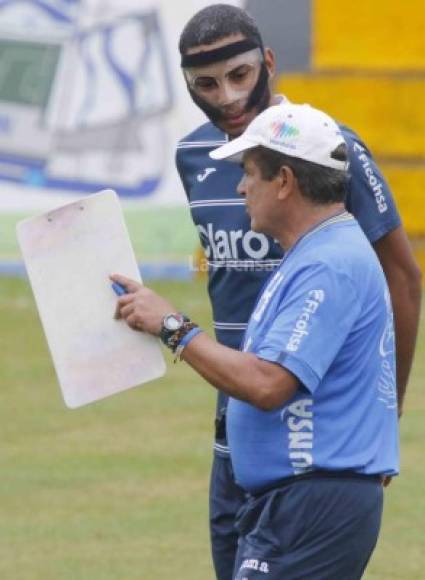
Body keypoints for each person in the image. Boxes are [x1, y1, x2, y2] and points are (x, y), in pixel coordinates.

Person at [172, 5, 421, 579]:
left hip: (312, 432)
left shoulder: (327, 147)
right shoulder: (193, 157)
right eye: (206, 85)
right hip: (237, 423)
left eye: (240, 75)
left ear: (269, 63)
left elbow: (403, 279)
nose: (228, 97)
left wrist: (385, 417)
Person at [111, 102, 400, 579]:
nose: (241, 187)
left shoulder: (327, 264)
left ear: (284, 181)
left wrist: (173, 327)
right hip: (301, 502)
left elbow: (269, 383)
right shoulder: (318, 254)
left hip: (310, 506)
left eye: (248, 173)